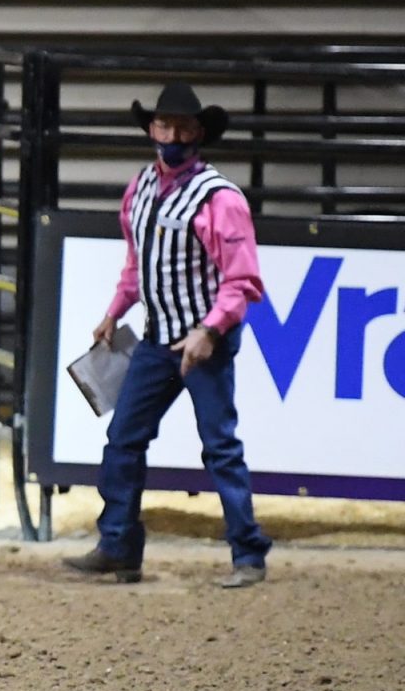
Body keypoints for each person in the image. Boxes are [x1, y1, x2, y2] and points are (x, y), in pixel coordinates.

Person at [63, 82, 271, 589]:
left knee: (219, 447)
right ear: (151, 129)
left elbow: (242, 281)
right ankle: (118, 546)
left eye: (181, 127)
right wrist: (114, 311)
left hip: (204, 343)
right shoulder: (140, 189)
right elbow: (137, 267)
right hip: (159, 339)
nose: (171, 135)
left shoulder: (219, 198)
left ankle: (248, 553)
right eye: (163, 125)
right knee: (123, 439)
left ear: (198, 133)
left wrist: (210, 330)